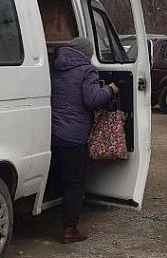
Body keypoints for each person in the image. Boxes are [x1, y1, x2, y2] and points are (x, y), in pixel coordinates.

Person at [49, 37, 119, 244]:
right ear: (86, 52)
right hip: (73, 135)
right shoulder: (87, 70)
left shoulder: (56, 67)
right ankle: (69, 229)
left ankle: (55, 218)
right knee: (75, 182)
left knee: (59, 176)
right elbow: (92, 99)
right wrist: (110, 90)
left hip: (53, 131)